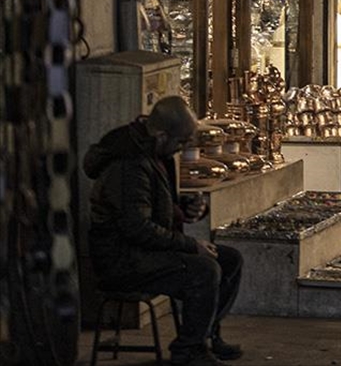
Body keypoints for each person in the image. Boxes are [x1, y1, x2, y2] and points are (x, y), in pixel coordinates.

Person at [85, 96, 243, 366]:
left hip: (145, 251)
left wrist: (187, 207)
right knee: (205, 271)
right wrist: (190, 245)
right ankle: (189, 349)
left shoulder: (153, 152)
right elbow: (138, 228)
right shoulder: (129, 164)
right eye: (180, 142)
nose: (181, 149)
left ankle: (206, 336)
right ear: (160, 135)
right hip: (125, 260)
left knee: (229, 260)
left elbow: (154, 205)